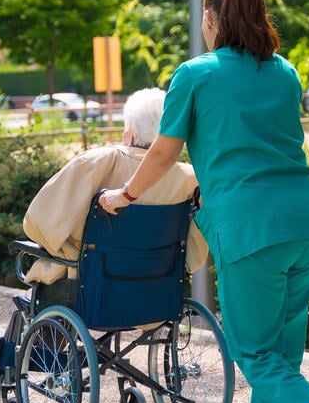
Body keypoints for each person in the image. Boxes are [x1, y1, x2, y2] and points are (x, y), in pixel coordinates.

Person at [98, 0, 309, 403]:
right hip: (308, 223)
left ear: (212, 19)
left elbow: (165, 152)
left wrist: (124, 194)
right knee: (279, 351)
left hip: (251, 230)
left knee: (254, 350)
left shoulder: (194, 75)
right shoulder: (284, 73)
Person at [22, 87, 208, 287]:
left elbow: (38, 223)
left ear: (128, 133)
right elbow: (194, 256)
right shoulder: (191, 178)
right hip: (156, 290)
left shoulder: (98, 162)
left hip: (92, 290)